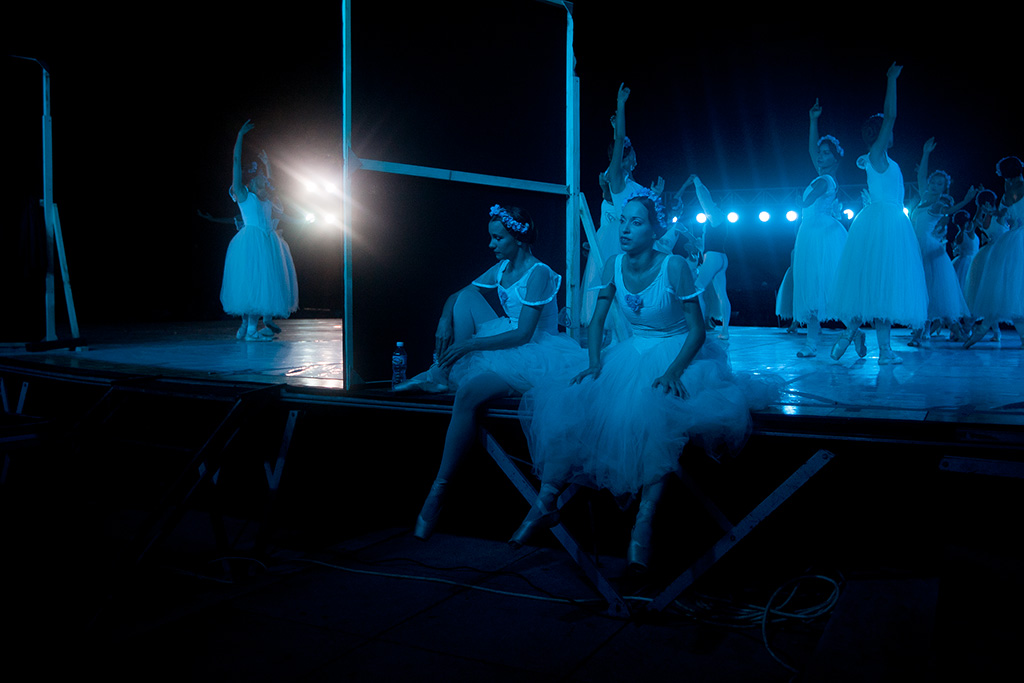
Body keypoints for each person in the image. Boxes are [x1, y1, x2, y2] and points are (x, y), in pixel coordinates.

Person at [514, 191, 778, 574]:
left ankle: (644, 523)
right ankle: (546, 501)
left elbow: (697, 331)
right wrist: (593, 363)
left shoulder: (674, 267)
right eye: (623, 221)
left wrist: (673, 371)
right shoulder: (613, 266)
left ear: (655, 230)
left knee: (660, 414)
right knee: (575, 401)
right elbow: (597, 320)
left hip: (677, 351)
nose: (625, 229)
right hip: (631, 352)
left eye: (636, 222)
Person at [398, 204, 586, 540]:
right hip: (506, 344)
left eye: (498, 237)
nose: (491, 244)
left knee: (469, 392)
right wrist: (444, 317)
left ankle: (439, 489)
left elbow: (524, 334)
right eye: (491, 237)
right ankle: (439, 374)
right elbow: (461, 294)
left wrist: (469, 346)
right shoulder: (502, 268)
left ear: (517, 237)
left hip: (536, 353)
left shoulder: (538, 272)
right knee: (466, 297)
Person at [829, 63, 928, 365]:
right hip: (884, 224)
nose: (891, 131)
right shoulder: (877, 155)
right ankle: (876, 347)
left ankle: (860, 339)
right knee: (878, 284)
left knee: (877, 285)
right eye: (886, 129)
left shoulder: (882, 160)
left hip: (886, 220)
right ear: (879, 134)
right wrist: (891, 80)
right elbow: (891, 114)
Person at [220, 121, 299, 340]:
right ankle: (250, 329)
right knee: (253, 284)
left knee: (258, 285)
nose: (261, 177)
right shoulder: (244, 195)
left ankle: (246, 327)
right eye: (257, 177)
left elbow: (273, 183)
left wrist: (268, 164)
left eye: (263, 177)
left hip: (267, 240)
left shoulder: (268, 198)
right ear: (250, 182)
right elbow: (236, 162)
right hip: (252, 241)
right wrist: (240, 136)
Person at [791, 99, 848, 357]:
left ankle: (852, 331)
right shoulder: (821, 174)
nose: (821, 155)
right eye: (821, 152)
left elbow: (807, 200)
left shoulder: (825, 180)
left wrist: (802, 199)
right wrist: (813, 120)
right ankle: (811, 344)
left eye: (826, 153)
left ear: (834, 159)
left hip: (821, 236)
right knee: (813, 289)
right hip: (811, 233)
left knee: (824, 287)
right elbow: (811, 151)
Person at [964, 156, 1024, 348]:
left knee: (1013, 290)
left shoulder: (1008, 193)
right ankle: (986, 329)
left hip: (1014, 239)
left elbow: (1003, 217)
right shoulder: (1014, 190)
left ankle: (984, 328)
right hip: (1017, 240)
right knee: (1015, 291)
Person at [909, 193, 970, 345]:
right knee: (926, 296)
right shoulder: (924, 207)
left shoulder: (938, 213)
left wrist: (966, 200)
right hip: (920, 250)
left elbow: (948, 212)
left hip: (930, 254)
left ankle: (919, 335)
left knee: (931, 296)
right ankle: (921, 334)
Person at [689, 175, 732, 340]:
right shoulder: (719, 219)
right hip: (721, 258)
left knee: (696, 289)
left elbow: (704, 199)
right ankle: (725, 331)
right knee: (722, 294)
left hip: (714, 257)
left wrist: (697, 183)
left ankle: (698, 327)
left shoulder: (715, 215)